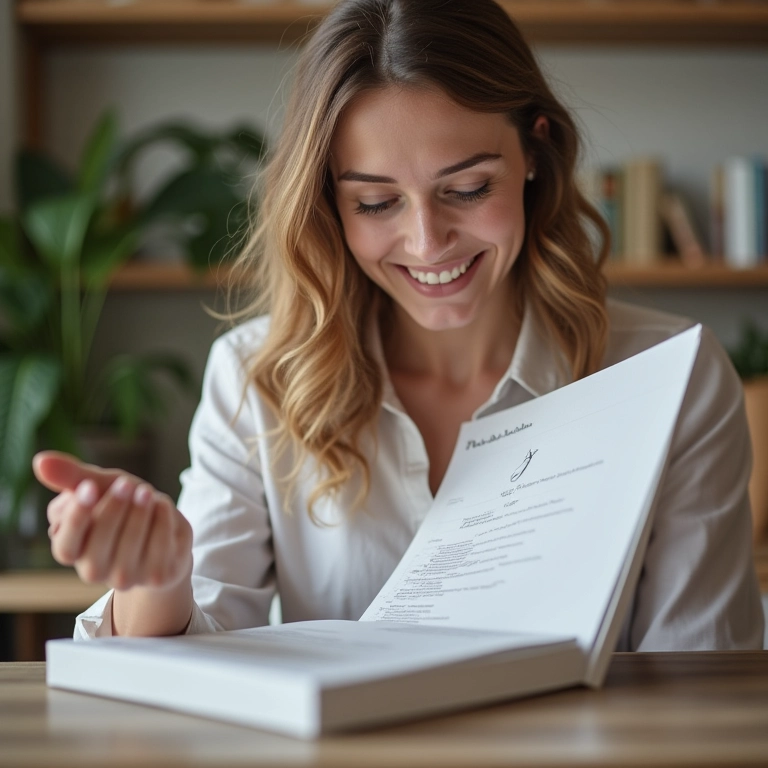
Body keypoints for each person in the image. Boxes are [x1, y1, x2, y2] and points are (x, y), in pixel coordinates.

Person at [33, 0, 764, 650]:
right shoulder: (257, 380)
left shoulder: (671, 375)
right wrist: (158, 579)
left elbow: (697, 679)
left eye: (468, 188)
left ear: (535, 152)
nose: (427, 241)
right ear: (328, 202)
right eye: (376, 203)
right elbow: (197, 663)